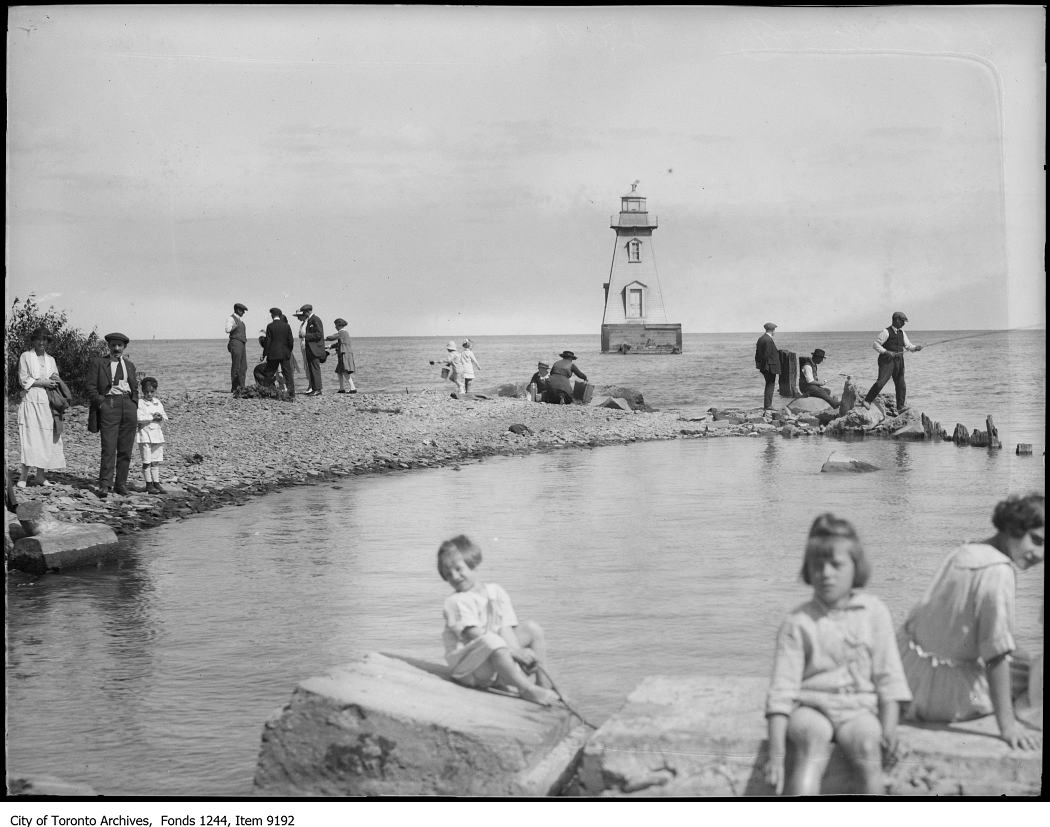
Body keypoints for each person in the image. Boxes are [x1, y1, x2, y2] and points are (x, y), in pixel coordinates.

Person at [765, 514, 911, 796]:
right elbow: (781, 691)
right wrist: (776, 753)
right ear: (808, 569)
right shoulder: (798, 622)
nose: (826, 573)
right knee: (811, 742)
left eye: (836, 565)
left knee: (869, 748)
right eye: (817, 566)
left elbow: (889, 677)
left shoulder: (874, 613)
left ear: (856, 567)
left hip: (858, 708)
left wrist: (890, 729)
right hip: (811, 707)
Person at [897, 493, 1043, 751]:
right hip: (940, 694)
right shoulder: (999, 572)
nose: (1040, 554)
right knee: (1032, 679)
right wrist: (1008, 727)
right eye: (1037, 540)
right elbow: (995, 656)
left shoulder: (966, 550)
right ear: (1014, 527)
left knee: (1023, 662)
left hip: (909, 673)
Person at [437, 534, 557, 706]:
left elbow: (505, 628)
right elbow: (473, 634)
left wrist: (518, 652)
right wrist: (515, 653)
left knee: (532, 629)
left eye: (458, 569)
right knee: (492, 639)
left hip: (495, 657)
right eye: (448, 574)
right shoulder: (454, 602)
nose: (454, 577)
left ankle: (543, 684)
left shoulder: (496, 592)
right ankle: (526, 689)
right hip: (469, 669)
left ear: (473, 564)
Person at [87, 332, 139, 498]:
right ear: (108, 346)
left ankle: (121, 484)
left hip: (128, 405)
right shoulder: (99, 363)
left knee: (126, 448)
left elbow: (134, 386)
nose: (116, 349)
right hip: (109, 404)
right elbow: (90, 386)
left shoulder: (129, 365)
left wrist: (134, 403)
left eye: (120, 346)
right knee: (108, 447)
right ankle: (105, 484)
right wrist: (101, 402)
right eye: (113, 345)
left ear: (124, 347)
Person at [16, 326, 66, 488]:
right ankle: (23, 476)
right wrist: (43, 382)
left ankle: (40, 475)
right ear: (34, 340)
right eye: (39, 339)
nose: (42, 342)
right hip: (31, 398)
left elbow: (55, 376)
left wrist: (55, 379)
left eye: (45, 339)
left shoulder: (51, 359)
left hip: (47, 400)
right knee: (30, 436)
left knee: (45, 437)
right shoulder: (26, 356)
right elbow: (24, 380)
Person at [861, 311, 923, 413]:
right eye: (903, 321)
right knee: (881, 382)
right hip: (886, 361)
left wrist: (916, 348)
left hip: (899, 361)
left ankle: (900, 407)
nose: (904, 324)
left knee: (901, 384)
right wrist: (886, 352)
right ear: (897, 320)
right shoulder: (885, 332)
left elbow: (908, 346)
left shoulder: (902, 333)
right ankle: (867, 400)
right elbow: (875, 344)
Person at [134, 377, 169, 495]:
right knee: (147, 461)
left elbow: (164, 416)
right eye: (146, 392)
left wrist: (160, 416)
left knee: (156, 460)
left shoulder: (157, 402)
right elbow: (139, 418)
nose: (149, 394)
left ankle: (156, 482)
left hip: (157, 435)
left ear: (155, 391)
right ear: (142, 391)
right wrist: (151, 417)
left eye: (151, 392)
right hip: (145, 435)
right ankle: (148, 483)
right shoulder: (140, 403)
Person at [261, 307, 295, 397]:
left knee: (269, 373)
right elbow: (291, 341)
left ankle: (266, 392)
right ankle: (291, 393)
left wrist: (264, 354)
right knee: (288, 374)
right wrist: (289, 351)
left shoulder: (270, 326)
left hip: (273, 353)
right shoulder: (286, 326)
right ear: (280, 315)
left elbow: (268, 342)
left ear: (272, 315)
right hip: (285, 353)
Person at [295, 304, 325, 396]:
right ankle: (314, 388)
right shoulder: (311, 320)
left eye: (304, 312)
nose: (304, 314)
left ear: (308, 311)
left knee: (315, 369)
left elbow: (319, 334)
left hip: (315, 348)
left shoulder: (316, 319)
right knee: (311, 369)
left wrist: (306, 336)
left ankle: (318, 389)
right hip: (310, 348)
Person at [326, 318, 357, 394]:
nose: (335, 327)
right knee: (339, 371)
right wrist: (329, 346)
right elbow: (339, 343)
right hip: (343, 353)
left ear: (339, 325)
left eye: (336, 325)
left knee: (344, 371)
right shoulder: (344, 333)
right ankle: (341, 388)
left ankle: (353, 388)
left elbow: (332, 337)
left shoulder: (342, 332)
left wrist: (323, 339)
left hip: (344, 353)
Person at [754, 322, 781, 411]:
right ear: (772, 330)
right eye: (774, 330)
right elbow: (767, 354)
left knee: (769, 384)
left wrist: (759, 364)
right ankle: (768, 405)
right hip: (769, 366)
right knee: (770, 385)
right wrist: (766, 365)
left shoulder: (761, 339)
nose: (775, 332)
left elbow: (757, 354)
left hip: (764, 366)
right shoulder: (768, 340)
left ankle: (767, 405)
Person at [225, 302, 248, 393]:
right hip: (235, 342)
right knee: (236, 365)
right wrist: (235, 326)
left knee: (243, 366)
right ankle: (235, 388)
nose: (244, 313)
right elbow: (227, 329)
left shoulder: (240, 320)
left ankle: (242, 387)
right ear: (238, 310)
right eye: (242, 311)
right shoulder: (231, 318)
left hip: (242, 343)